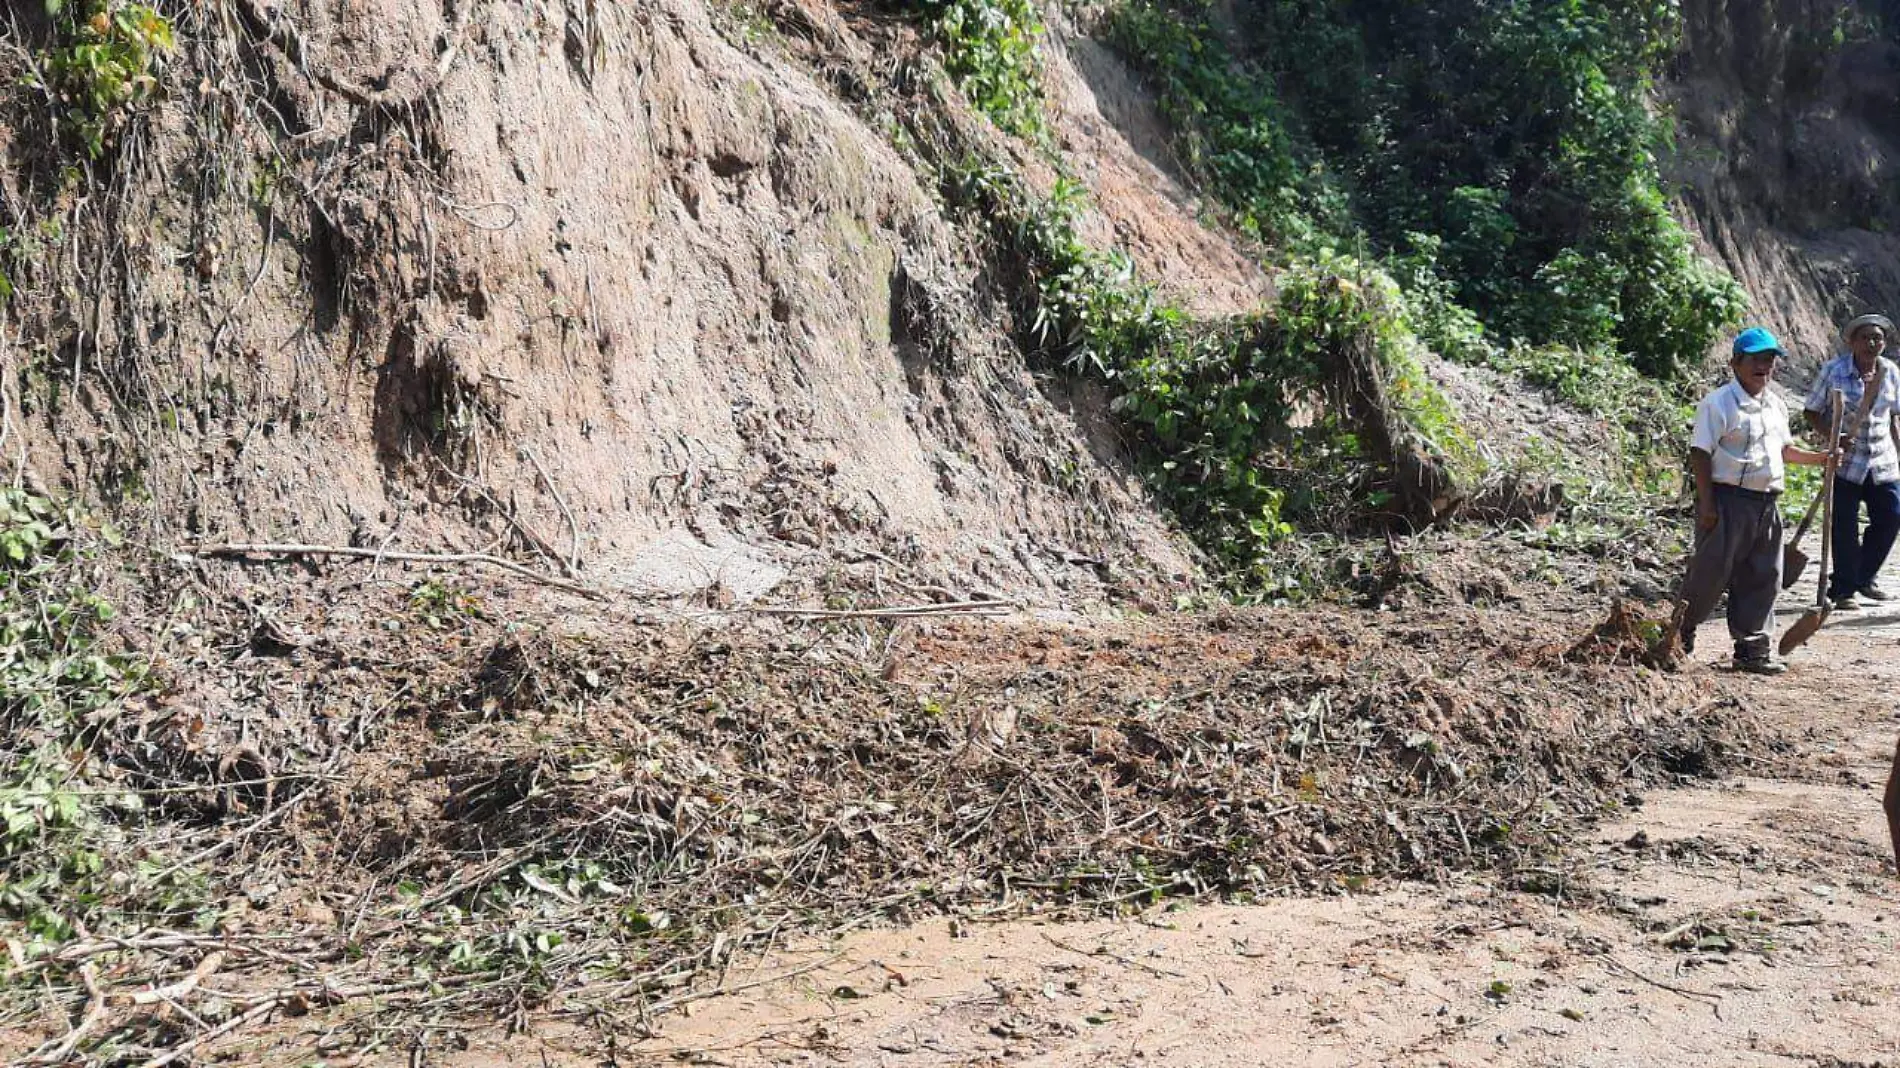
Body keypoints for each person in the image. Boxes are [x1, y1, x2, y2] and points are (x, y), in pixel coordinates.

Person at [1678, 327, 1836, 674]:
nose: (1764, 366)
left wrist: (1822, 458)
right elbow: (1700, 454)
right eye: (1757, 359)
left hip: (1766, 504)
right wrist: (1706, 505)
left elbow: (1784, 451)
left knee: (1764, 575)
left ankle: (1752, 650)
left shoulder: (1775, 405)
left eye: (1770, 360)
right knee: (1710, 573)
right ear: (1736, 362)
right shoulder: (1717, 403)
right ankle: (1679, 632)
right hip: (1727, 501)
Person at [1803, 313, 1900, 609]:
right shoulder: (1834, 371)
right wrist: (1834, 437)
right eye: (1866, 338)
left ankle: (1862, 577)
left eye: (1878, 338)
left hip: (1882, 460)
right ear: (1852, 342)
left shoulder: (1891, 372)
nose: (1872, 343)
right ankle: (1844, 589)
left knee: (1891, 517)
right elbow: (1811, 412)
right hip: (1846, 461)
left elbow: (1894, 415)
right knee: (1844, 526)